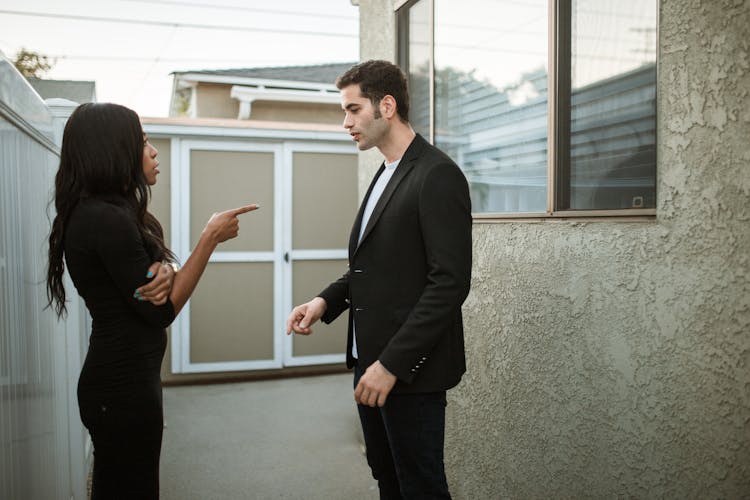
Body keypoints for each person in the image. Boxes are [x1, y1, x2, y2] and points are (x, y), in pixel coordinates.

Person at [46, 102, 258, 499]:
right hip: (121, 390)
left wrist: (163, 266)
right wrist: (209, 238)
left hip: (124, 385)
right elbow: (161, 310)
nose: (154, 151)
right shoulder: (105, 219)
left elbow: (152, 283)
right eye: (143, 142)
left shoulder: (108, 214)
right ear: (114, 151)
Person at [286, 60, 472, 499]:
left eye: (353, 110)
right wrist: (324, 302)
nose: (345, 122)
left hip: (406, 372)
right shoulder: (386, 170)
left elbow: (449, 283)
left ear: (386, 106)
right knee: (387, 478)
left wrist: (391, 366)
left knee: (421, 487)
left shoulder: (436, 174)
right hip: (368, 364)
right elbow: (374, 265)